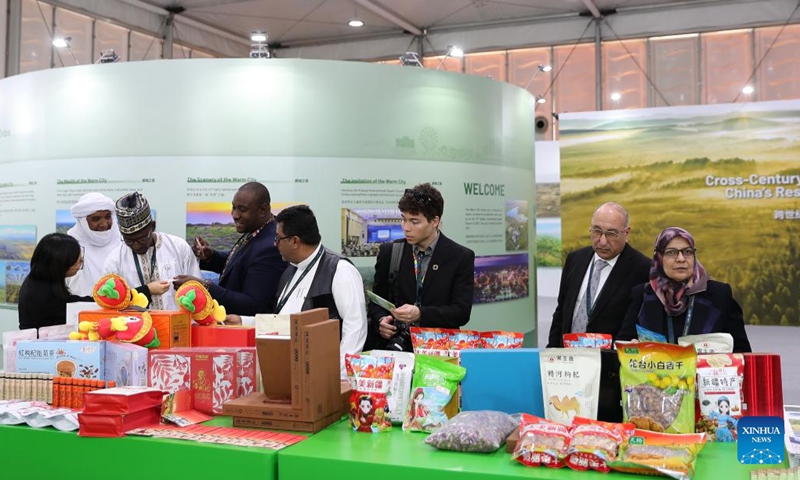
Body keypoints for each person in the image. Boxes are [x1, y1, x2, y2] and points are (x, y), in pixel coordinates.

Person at [226, 205, 368, 375]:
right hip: (290, 371)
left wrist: (338, 375)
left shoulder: (340, 270)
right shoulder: (290, 270)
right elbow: (285, 322)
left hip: (324, 375)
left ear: (295, 241)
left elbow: (356, 328)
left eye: (278, 239)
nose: (275, 244)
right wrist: (243, 322)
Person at [366, 183, 475, 352]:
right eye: (403, 219)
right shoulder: (390, 252)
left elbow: (461, 312)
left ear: (435, 221)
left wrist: (421, 314)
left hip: (439, 351)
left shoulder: (460, 257)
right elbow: (376, 301)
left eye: (414, 221)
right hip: (396, 349)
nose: (406, 228)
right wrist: (381, 321)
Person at [617, 227, 752, 352]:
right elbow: (623, 344)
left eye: (687, 252)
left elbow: (743, 352)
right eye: (671, 252)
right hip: (655, 376)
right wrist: (631, 348)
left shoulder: (720, 295)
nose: (681, 259)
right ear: (659, 257)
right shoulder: (642, 295)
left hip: (703, 376)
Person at [547, 202, 651, 347]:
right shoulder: (575, 259)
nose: (602, 241)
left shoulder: (642, 269)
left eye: (611, 234)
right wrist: (552, 352)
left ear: (626, 233)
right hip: (567, 360)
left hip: (609, 363)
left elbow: (634, 327)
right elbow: (561, 312)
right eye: (596, 231)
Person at [174, 182, 286, 315]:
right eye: (233, 207)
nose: (235, 214)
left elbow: (252, 305)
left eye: (242, 210)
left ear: (262, 210)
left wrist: (204, 286)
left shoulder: (270, 247)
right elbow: (241, 264)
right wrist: (211, 256)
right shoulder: (257, 231)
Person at [103, 192, 201, 311]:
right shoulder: (115, 260)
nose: (136, 245)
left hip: (178, 326)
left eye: (142, 239)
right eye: (129, 240)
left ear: (153, 226)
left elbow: (198, 293)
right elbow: (110, 303)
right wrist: (146, 290)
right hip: (135, 328)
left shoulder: (179, 248)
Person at [18, 233, 92, 330]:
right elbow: (72, 306)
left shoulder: (37, 279)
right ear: (61, 263)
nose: (80, 263)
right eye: (78, 261)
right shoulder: (43, 293)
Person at [66, 192, 121, 296]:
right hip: (78, 308)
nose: (104, 224)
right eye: (96, 219)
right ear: (83, 221)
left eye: (108, 217)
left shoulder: (122, 240)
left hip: (119, 308)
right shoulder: (70, 244)